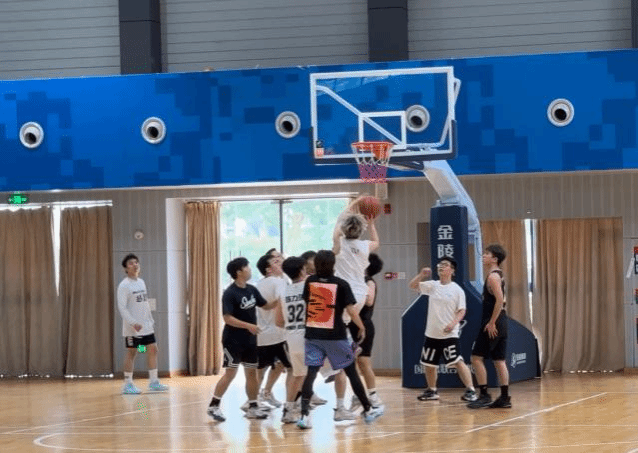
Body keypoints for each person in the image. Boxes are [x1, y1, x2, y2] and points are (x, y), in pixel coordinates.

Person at [297, 250, 383, 429]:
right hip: (335, 336)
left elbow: (307, 303)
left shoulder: (310, 282)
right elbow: (351, 311)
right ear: (333, 265)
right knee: (351, 373)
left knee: (311, 373)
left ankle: (304, 415)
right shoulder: (341, 284)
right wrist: (361, 326)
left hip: (313, 334)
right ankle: (368, 410)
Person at [207, 257, 279, 422]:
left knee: (251, 373)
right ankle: (213, 405)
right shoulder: (230, 293)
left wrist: (281, 298)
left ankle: (253, 407)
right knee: (231, 373)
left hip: (250, 340)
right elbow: (227, 318)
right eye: (247, 267)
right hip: (233, 340)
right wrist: (248, 325)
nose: (250, 269)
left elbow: (265, 305)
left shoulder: (251, 289)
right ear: (239, 271)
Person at [331, 197, 380, 416]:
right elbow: (376, 241)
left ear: (344, 230)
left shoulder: (340, 244)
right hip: (360, 293)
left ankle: (348, 347)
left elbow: (337, 229)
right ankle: (350, 345)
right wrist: (372, 224)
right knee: (345, 323)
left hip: (344, 291)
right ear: (361, 230)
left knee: (338, 327)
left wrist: (350, 207)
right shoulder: (365, 246)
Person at [408, 256, 477, 403]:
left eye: (445, 265)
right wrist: (421, 275)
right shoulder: (432, 285)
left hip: (449, 334)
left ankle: (471, 390)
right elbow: (412, 285)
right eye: (439, 264)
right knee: (429, 363)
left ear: (452, 270)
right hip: (432, 333)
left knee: (457, 361)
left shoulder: (457, 290)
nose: (440, 266)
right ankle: (432, 390)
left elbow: (462, 310)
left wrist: (453, 324)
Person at [117, 254, 169, 395]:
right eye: (131, 263)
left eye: (136, 262)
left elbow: (144, 304)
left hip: (146, 327)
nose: (135, 265)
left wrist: (149, 320)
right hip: (133, 329)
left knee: (152, 349)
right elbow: (122, 308)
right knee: (133, 352)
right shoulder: (124, 285)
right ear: (126, 268)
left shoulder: (141, 282)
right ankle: (128, 384)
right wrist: (133, 322)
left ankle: (153, 382)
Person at [467, 244, 511, 409]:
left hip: (493, 323)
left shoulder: (493, 277)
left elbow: (500, 300)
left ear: (495, 259)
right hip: (502, 321)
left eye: (487, 254)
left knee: (476, 358)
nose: (483, 256)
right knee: (499, 360)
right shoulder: (499, 275)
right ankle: (505, 398)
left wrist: (492, 322)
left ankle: (484, 395)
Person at [254, 249, 291, 409]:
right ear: (268, 269)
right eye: (276, 261)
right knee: (293, 368)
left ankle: (256, 398)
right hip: (278, 333)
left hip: (263, 334)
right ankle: (293, 403)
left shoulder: (259, 284)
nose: (280, 262)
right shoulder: (278, 282)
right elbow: (283, 303)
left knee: (265, 368)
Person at [276, 256, 310, 423]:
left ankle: (288, 410)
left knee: (298, 376)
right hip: (309, 336)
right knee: (310, 375)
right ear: (302, 270)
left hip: (292, 338)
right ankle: (305, 414)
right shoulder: (310, 287)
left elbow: (278, 321)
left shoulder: (283, 292)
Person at [349, 253, 384, 411]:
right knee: (350, 364)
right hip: (349, 325)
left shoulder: (369, 281)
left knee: (364, 362)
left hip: (364, 325)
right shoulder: (353, 279)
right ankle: (357, 395)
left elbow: (369, 301)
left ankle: (373, 395)